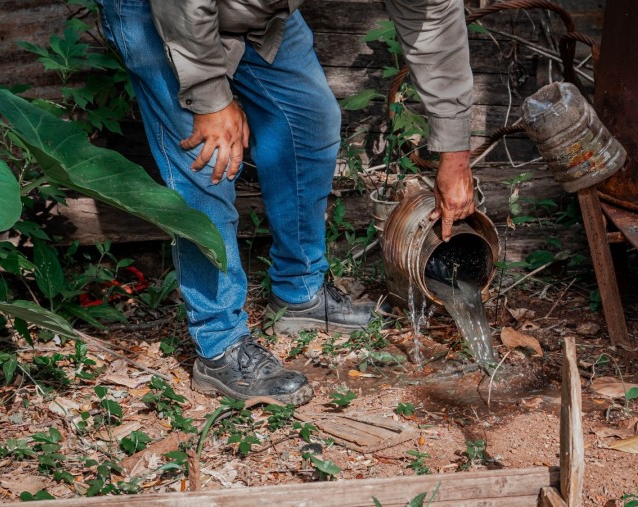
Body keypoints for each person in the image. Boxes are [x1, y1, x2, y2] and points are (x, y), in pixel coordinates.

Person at [96, 0, 476, 406]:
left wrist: (455, 156)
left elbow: (434, 22)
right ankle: (219, 346)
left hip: (257, 14)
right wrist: (210, 98)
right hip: (166, 15)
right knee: (208, 163)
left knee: (308, 122)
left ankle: (300, 292)